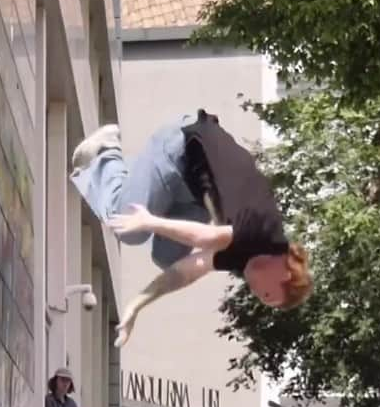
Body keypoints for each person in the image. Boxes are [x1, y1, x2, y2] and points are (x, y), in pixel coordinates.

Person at [70, 110, 312, 347]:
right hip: (182, 147)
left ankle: (139, 185)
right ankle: (105, 152)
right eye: (267, 295)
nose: (256, 293)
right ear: (285, 275)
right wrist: (149, 221)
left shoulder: (244, 260)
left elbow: (187, 271)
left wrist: (137, 304)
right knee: (131, 228)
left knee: (167, 258)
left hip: (194, 194)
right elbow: (209, 237)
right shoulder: (266, 231)